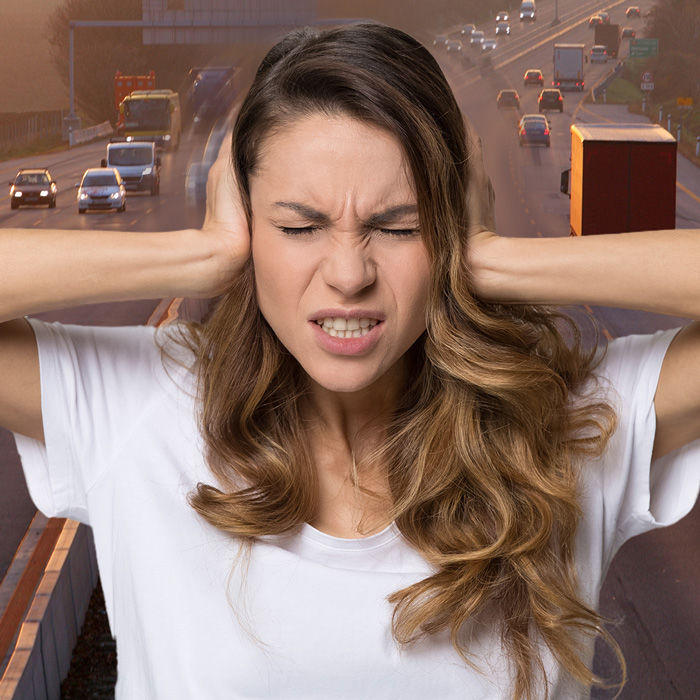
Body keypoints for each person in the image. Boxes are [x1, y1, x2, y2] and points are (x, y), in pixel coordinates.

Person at [1, 22, 698, 700]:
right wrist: (201, 255)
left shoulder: (567, 427)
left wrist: (491, 257)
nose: (347, 273)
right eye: (299, 226)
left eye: (399, 227)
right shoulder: (139, 406)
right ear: (246, 223)